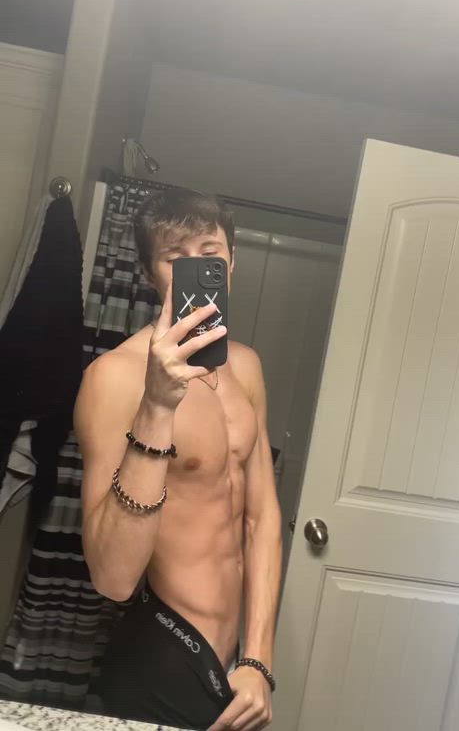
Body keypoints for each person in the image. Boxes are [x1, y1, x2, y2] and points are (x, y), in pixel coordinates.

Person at [74, 188, 283, 731]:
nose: (196, 269)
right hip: (161, 648)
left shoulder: (247, 368)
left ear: (231, 263)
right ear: (149, 274)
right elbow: (113, 577)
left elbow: (262, 518)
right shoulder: (113, 378)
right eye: (175, 258)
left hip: (235, 664)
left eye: (210, 254)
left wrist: (258, 660)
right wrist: (158, 402)